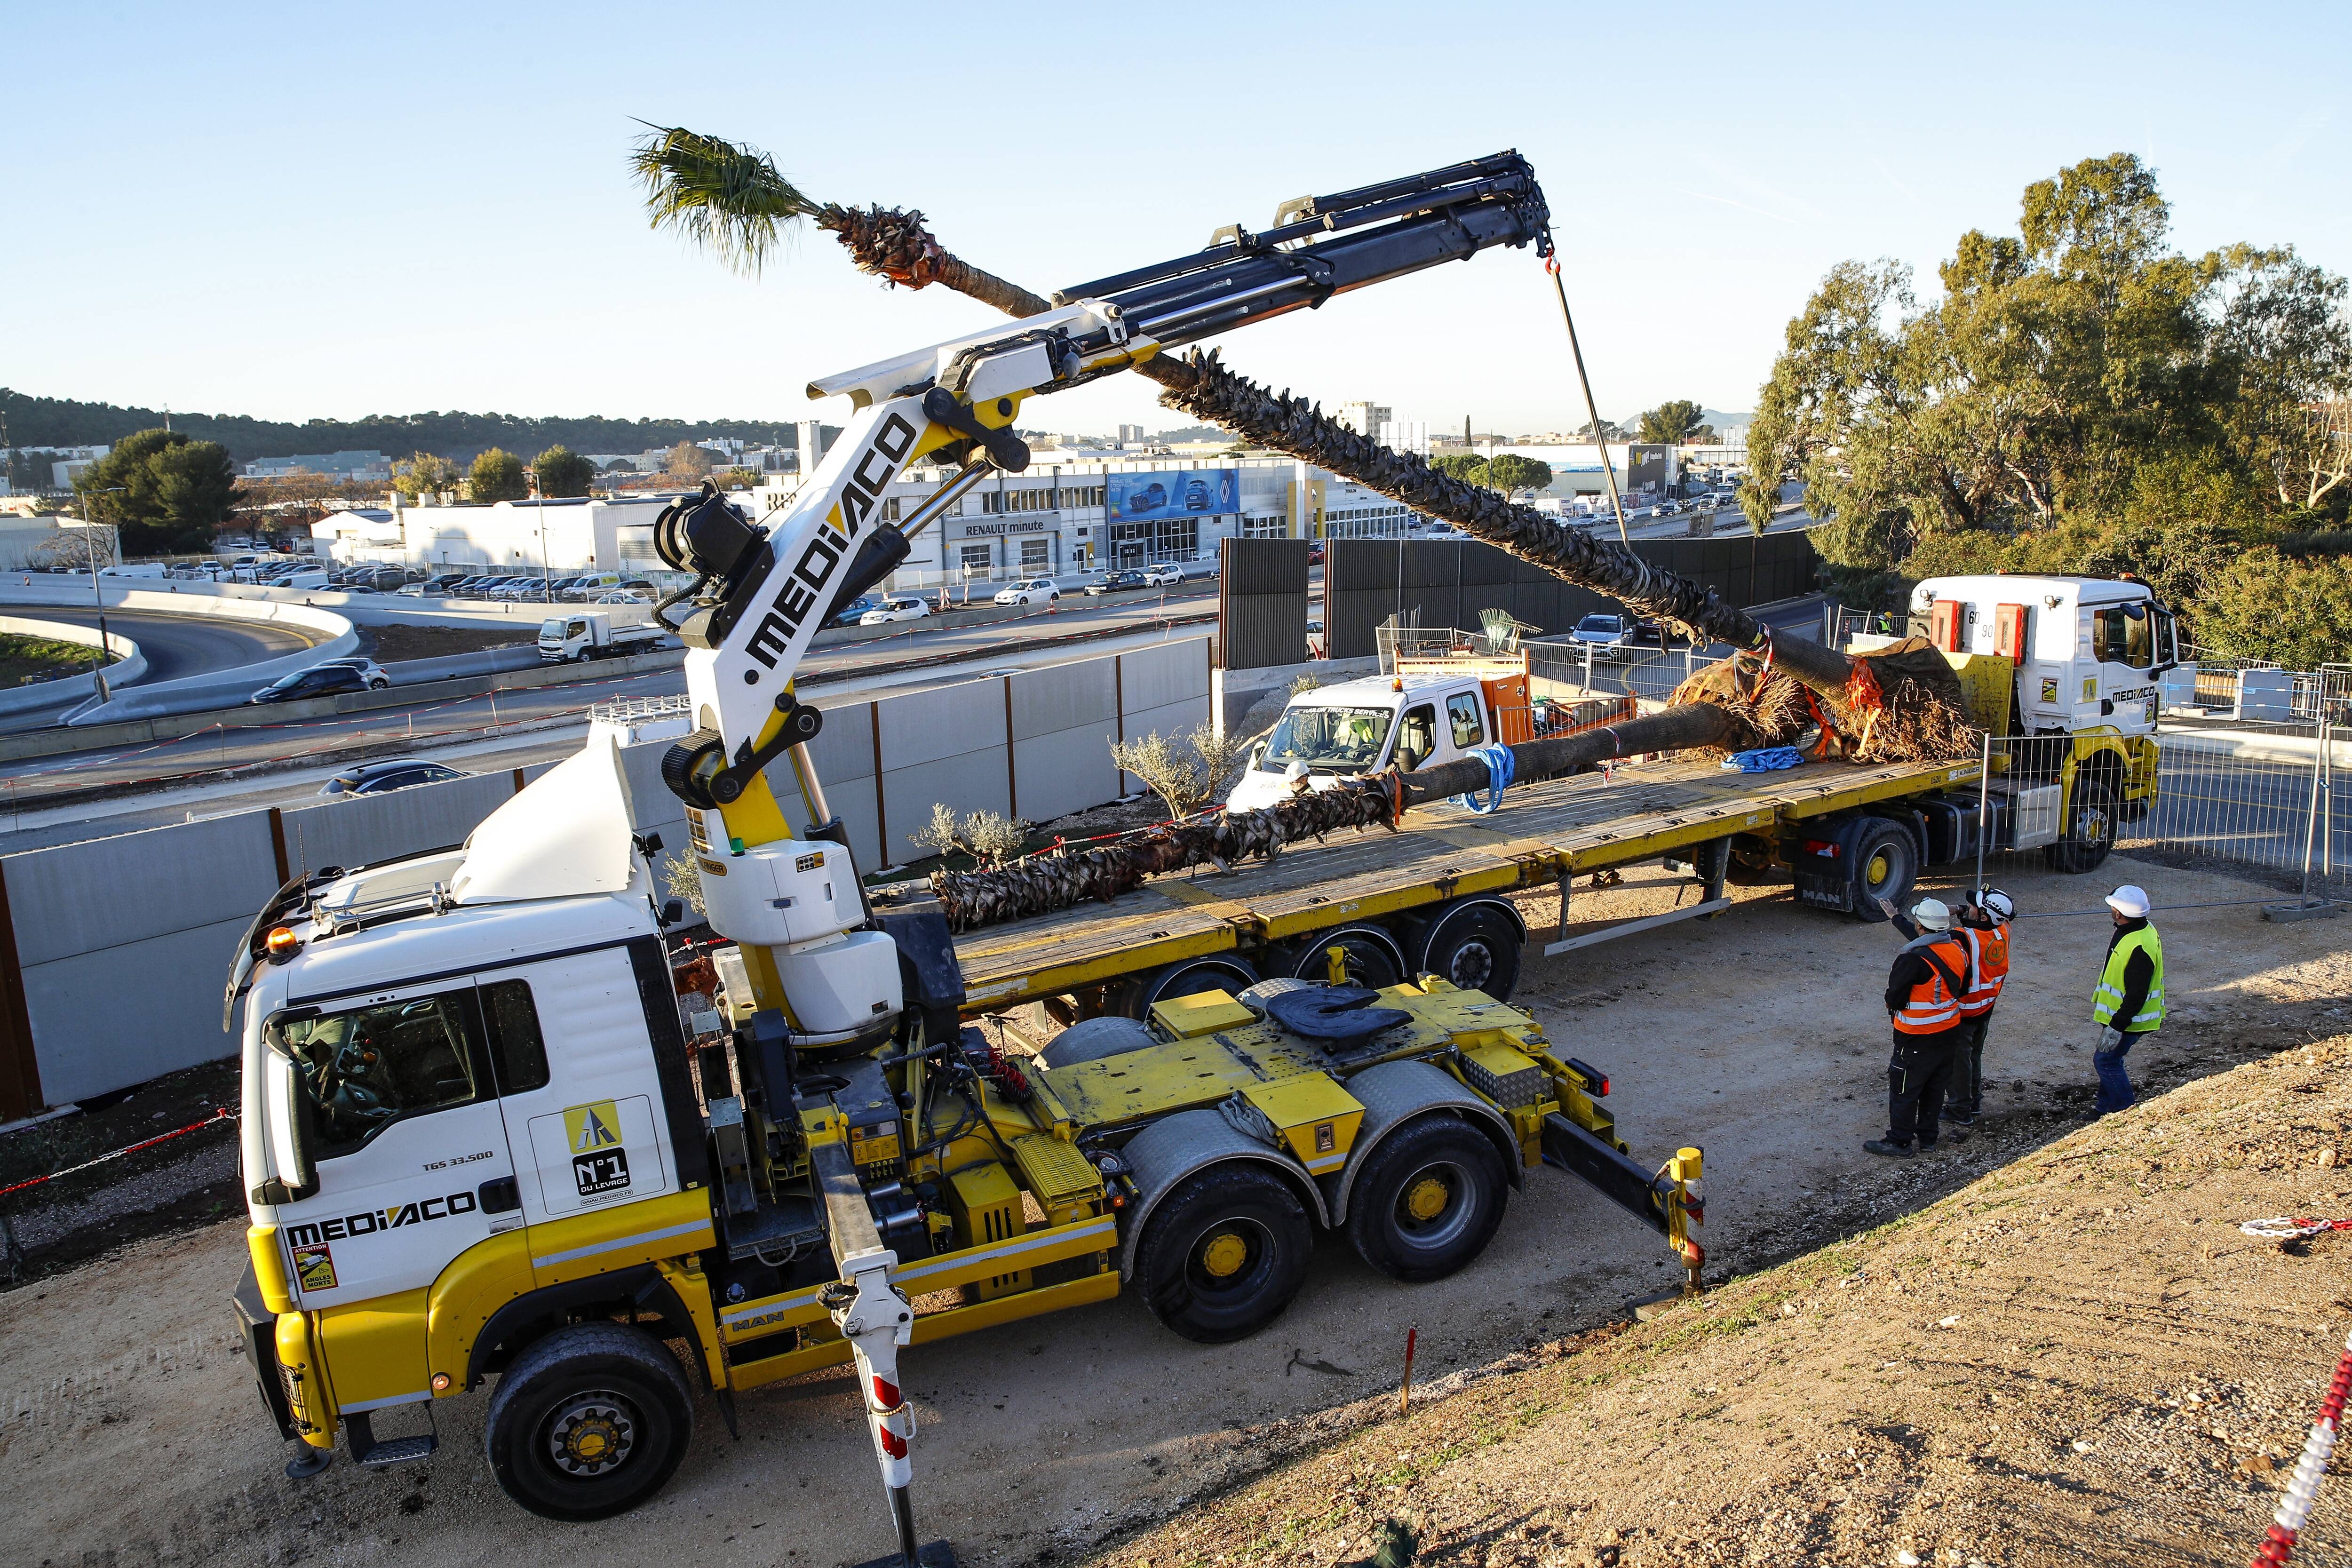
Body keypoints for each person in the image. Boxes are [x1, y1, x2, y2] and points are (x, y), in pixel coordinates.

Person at [1877, 888, 2014, 1133]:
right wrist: (1961, 910)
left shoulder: (1964, 938)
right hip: (1986, 1005)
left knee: (1959, 1063)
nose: (1968, 907)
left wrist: (1896, 918)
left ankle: (1960, 1109)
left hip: (1965, 1010)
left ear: (1983, 916)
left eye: (1973, 906)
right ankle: (1973, 1102)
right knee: (1973, 1056)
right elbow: (1974, 920)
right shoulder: (2003, 928)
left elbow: (1928, 937)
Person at [1866, 897, 1973, 1157]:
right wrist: (1895, 918)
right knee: (1934, 1089)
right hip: (1949, 1034)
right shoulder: (1958, 950)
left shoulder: (1912, 960)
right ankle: (1928, 1139)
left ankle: (1900, 1142)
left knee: (1904, 1091)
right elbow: (1963, 988)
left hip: (1916, 1038)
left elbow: (1894, 998)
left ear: (1920, 926)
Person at [2090, 883, 2164, 1114]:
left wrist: (2116, 1027)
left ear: (2119, 913)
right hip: (2123, 1017)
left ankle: (2124, 1110)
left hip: (2129, 1020)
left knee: (2106, 1062)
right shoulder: (2140, 929)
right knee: (2111, 1060)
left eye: (2113, 907)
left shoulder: (2139, 946)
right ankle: (2105, 1108)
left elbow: (2136, 995)